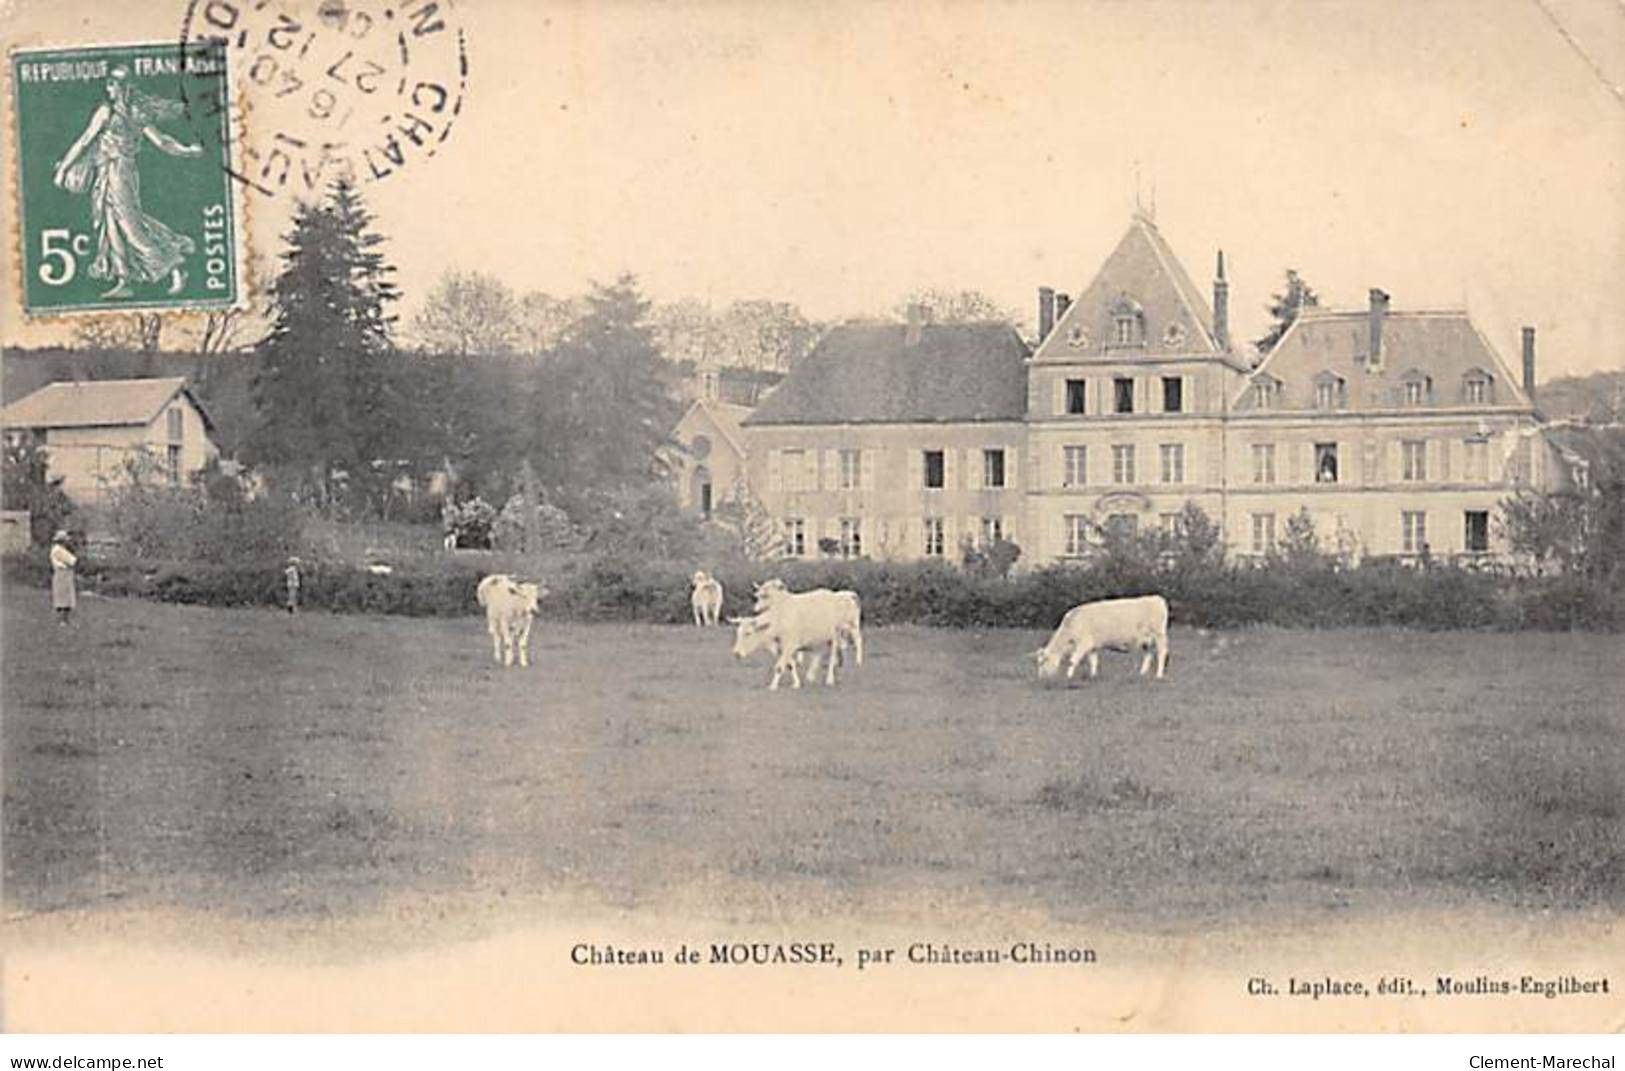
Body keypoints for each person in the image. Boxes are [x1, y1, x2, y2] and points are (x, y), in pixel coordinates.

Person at [51, 66, 203, 299]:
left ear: (124, 87)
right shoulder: (122, 111)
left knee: (129, 225)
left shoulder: (125, 112)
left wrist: (187, 151)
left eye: (112, 84)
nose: (108, 88)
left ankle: (173, 265)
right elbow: (85, 142)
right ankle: (124, 279)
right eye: (108, 84)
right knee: (112, 223)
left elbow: (161, 141)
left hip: (120, 172)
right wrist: (188, 151)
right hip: (108, 171)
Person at [49, 530, 77, 626]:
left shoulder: (58, 549)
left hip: (63, 574)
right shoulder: (58, 550)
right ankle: (62, 620)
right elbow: (72, 560)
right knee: (64, 597)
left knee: (65, 597)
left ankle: (65, 620)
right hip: (63, 574)